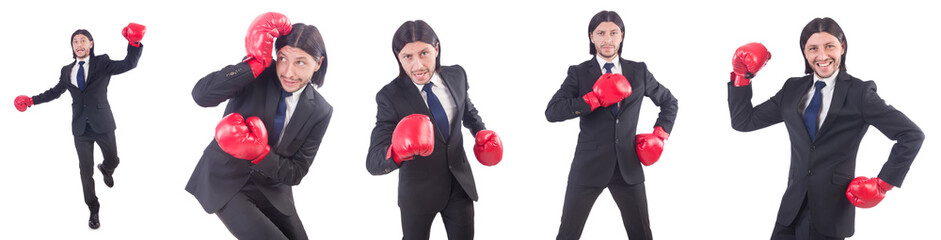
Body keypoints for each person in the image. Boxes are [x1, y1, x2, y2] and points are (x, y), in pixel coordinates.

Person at [726, 17, 924, 240]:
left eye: (829, 46)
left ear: (842, 47)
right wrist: (743, 77)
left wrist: (883, 184)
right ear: (804, 52)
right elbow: (744, 121)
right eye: (813, 48)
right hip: (790, 211)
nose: (822, 56)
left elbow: (911, 135)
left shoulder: (860, 93)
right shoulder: (792, 88)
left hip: (830, 215)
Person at [185, 12, 332, 240]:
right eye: (282, 58)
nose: (288, 71)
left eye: (300, 62)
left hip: (273, 189)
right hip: (225, 181)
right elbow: (201, 95)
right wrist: (252, 65)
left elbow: (296, 172)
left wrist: (260, 153)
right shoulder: (259, 73)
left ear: (318, 63)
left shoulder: (321, 110)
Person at [365, 20, 504, 240]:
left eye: (424, 53)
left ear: (436, 49)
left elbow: (468, 112)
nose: (417, 65)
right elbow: (372, 161)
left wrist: (480, 132)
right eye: (407, 57)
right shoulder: (389, 97)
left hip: (459, 185)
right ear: (398, 57)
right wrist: (398, 151)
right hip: (418, 194)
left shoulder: (457, 75)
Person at [545, 10, 678, 240]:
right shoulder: (578, 73)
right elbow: (552, 111)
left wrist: (660, 134)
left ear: (622, 36)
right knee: (567, 235)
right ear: (591, 37)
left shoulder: (639, 71)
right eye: (601, 33)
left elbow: (669, 102)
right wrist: (592, 100)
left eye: (613, 33)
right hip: (588, 167)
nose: (608, 39)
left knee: (642, 235)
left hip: (628, 166)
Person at [13, 23, 145, 229]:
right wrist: (31, 100)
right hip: (80, 129)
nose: (79, 44)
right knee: (85, 171)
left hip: (103, 124)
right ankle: (93, 208)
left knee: (114, 158)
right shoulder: (67, 70)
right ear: (72, 46)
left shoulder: (102, 62)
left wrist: (134, 42)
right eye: (75, 41)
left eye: (83, 40)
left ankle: (107, 169)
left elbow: (129, 64)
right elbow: (54, 92)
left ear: (91, 44)